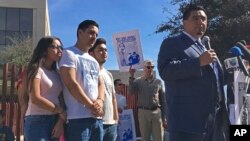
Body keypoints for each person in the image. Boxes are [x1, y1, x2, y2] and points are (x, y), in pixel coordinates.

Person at [157, 4, 229, 141]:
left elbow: (218, 81)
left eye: (203, 19)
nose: (200, 22)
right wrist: (198, 62)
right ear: (184, 22)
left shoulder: (206, 47)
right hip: (187, 124)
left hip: (214, 122)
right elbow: (165, 71)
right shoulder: (172, 43)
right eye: (195, 18)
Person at [59, 20, 104, 141]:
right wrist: (91, 106)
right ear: (80, 32)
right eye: (91, 33)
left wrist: (100, 100)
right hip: (77, 119)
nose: (94, 37)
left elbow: (100, 83)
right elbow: (71, 83)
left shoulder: (94, 60)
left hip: (97, 119)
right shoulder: (68, 53)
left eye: (96, 34)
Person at [20, 36, 66, 141]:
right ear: (44, 49)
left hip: (55, 120)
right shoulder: (36, 69)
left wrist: (60, 121)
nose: (59, 50)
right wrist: (59, 110)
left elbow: (61, 97)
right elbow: (35, 98)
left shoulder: (57, 73)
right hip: (37, 120)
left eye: (61, 47)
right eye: (55, 47)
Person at [128, 60, 167, 141]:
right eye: (148, 67)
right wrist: (131, 76)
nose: (150, 69)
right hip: (143, 112)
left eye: (152, 67)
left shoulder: (158, 82)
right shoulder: (137, 81)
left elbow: (163, 100)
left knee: (159, 138)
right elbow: (131, 92)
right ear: (144, 68)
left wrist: (164, 117)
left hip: (157, 113)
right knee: (145, 138)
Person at [89, 38, 119, 141]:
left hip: (111, 124)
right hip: (96, 122)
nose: (104, 52)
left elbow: (113, 97)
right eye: (100, 50)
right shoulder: (89, 72)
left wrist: (115, 118)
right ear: (92, 53)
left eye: (106, 50)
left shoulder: (109, 74)